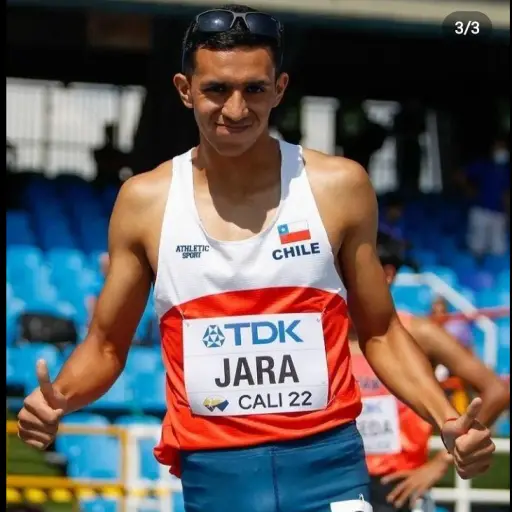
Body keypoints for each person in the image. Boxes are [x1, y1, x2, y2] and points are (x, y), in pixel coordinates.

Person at [18, 5, 496, 512]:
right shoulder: (146, 202)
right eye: (216, 89)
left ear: (280, 88)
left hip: (330, 469)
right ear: (185, 90)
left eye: (254, 89)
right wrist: (59, 397)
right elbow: (107, 345)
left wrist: (446, 419)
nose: (236, 109)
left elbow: (379, 331)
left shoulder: (338, 187)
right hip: (217, 481)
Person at [351, 233, 510, 512]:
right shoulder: (324, 333)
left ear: (387, 274)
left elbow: (497, 390)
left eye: (349, 269)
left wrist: (440, 463)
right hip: (340, 483)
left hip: (398, 486)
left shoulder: (419, 332)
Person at [462, 135, 510, 258]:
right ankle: (474, 269)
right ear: (492, 150)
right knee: (477, 248)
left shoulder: (506, 170)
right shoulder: (483, 165)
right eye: (498, 147)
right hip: (480, 211)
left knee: (499, 249)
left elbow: (506, 194)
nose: (501, 151)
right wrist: (469, 189)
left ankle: (493, 269)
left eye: (503, 148)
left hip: (499, 214)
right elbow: (460, 175)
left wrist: (507, 214)